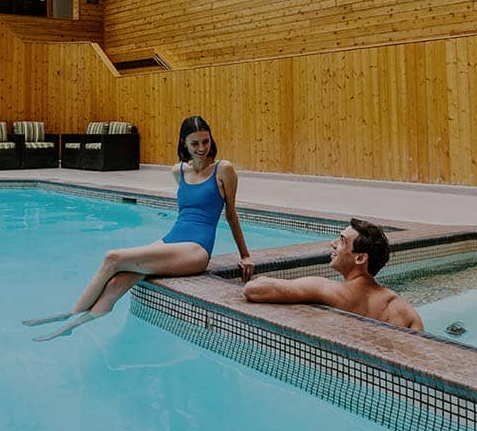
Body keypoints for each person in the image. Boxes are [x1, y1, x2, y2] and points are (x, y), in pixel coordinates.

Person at [24, 115, 254, 341]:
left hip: (196, 249)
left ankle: (70, 313)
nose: (202, 148)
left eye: (206, 141)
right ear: (184, 143)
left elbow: (231, 215)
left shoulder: (223, 170)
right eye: (195, 143)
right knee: (118, 281)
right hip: (171, 240)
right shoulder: (178, 171)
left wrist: (245, 255)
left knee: (112, 258)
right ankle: (73, 325)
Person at [244, 218, 423, 330]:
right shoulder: (406, 312)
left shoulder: (326, 290)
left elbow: (253, 289)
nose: (333, 243)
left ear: (360, 258)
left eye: (342, 241)